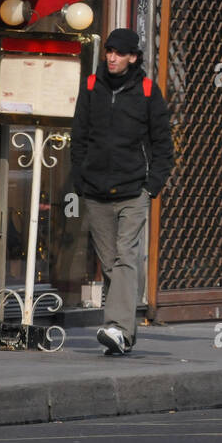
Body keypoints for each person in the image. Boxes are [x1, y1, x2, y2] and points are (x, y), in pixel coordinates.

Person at [71, 28, 173, 356]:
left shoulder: (146, 90)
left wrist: (151, 185)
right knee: (111, 262)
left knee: (125, 254)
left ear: (132, 57)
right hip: (96, 192)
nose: (111, 57)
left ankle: (115, 325)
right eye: (109, 51)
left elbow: (162, 144)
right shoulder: (91, 86)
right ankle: (125, 336)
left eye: (119, 52)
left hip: (133, 191)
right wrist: (80, 180)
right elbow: (79, 135)